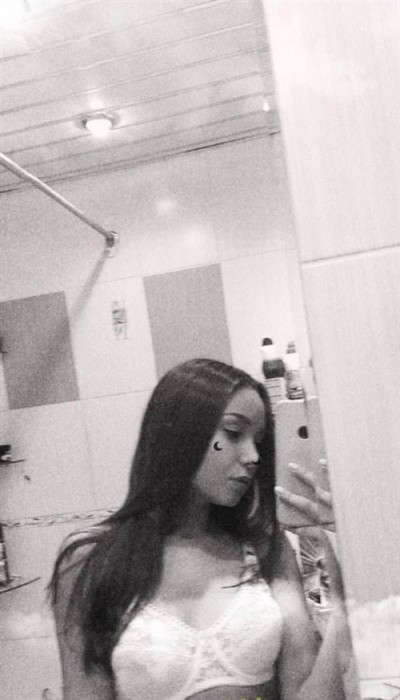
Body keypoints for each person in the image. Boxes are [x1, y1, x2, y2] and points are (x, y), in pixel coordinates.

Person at [49, 358, 351, 700]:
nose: (253, 456)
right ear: (179, 432)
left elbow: (305, 691)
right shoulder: (89, 560)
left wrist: (343, 599)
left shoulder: (265, 547)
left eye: (258, 440)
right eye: (233, 433)